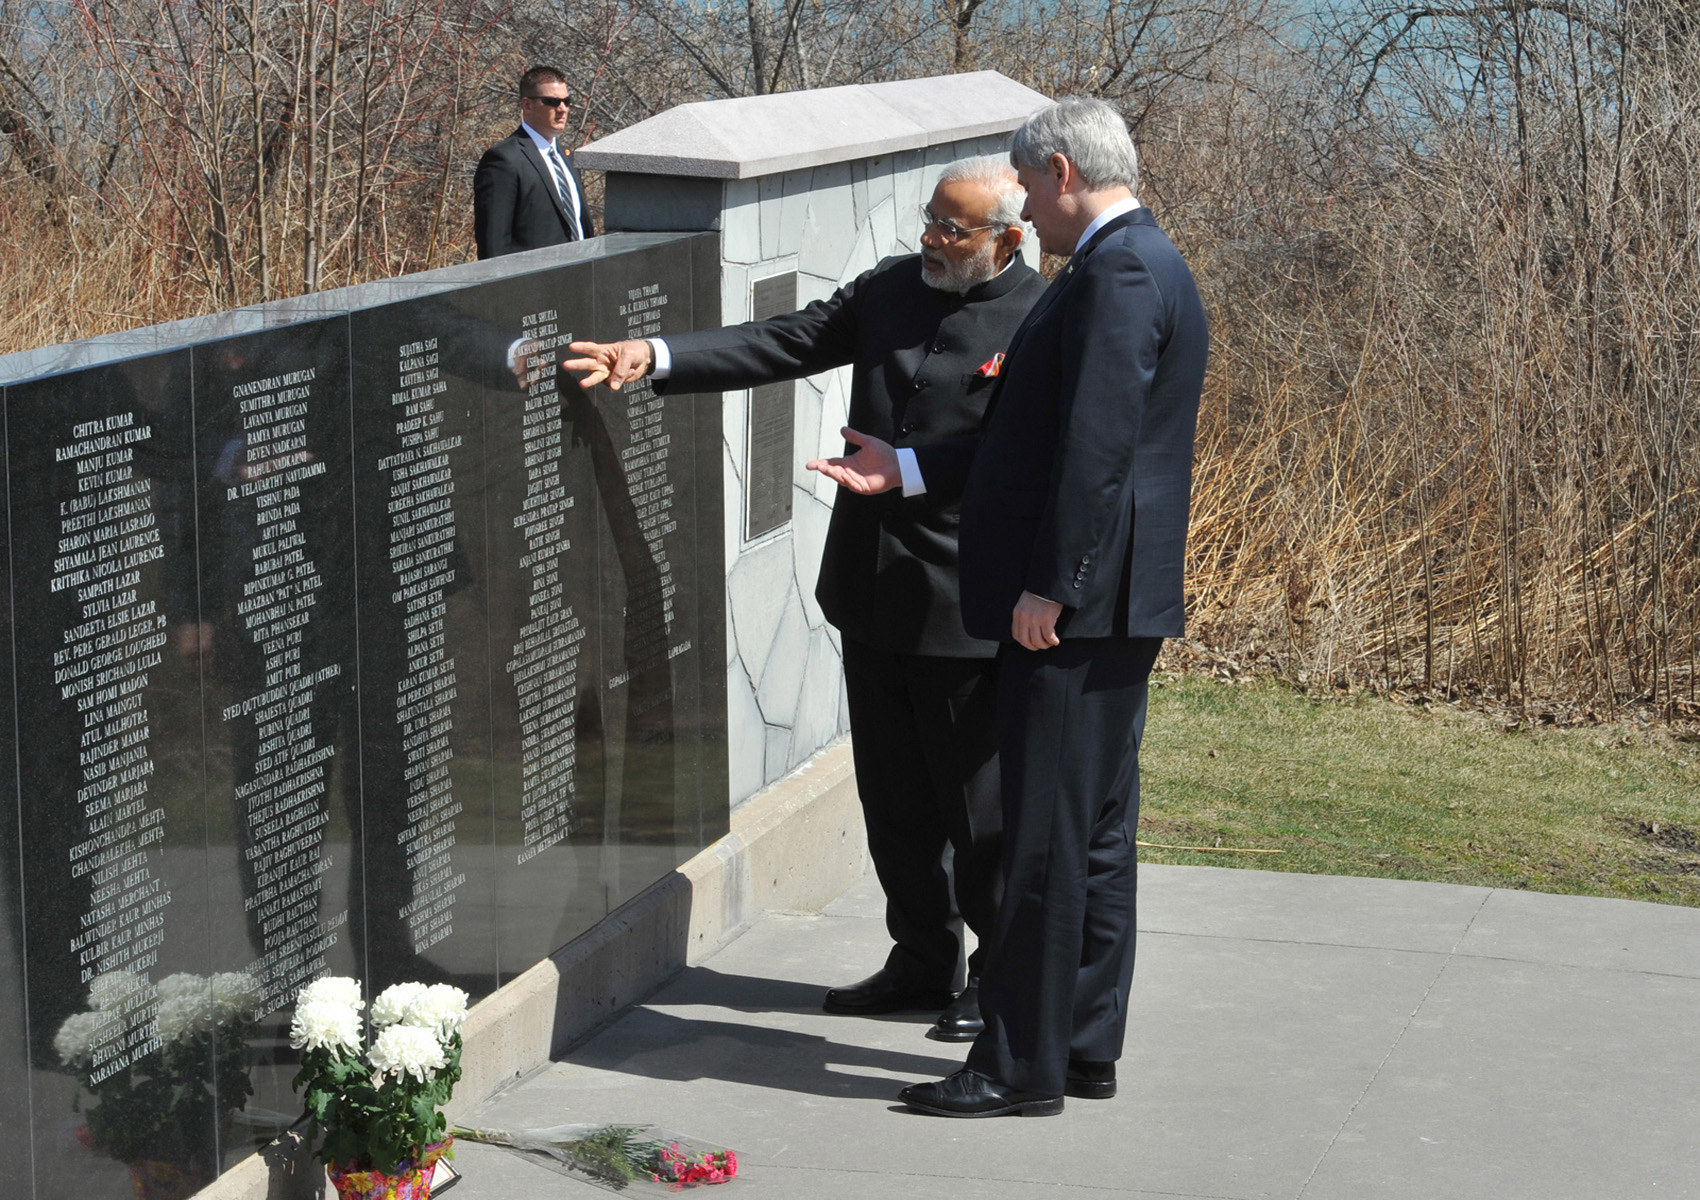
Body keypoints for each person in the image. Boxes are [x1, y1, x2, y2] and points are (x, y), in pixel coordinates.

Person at [562, 157, 1046, 1041]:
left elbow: (1030, 462)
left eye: (953, 230)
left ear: (1009, 239)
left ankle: (1002, 969)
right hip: (872, 594)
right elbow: (787, 339)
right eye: (929, 221)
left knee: (980, 813)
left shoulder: (1044, 319)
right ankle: (921, 958)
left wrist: (906, 471)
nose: (931, 241)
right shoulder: (894, 288)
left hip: (967, 609)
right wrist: (657, 355)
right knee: (894, 801)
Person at [807, 98, 1209, 1117]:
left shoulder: (1115, 276)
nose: (1029, 207)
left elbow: (1097, 445)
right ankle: (1078, 1044)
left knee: (1039, 840)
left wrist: (1050, 587)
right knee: (1094, 833)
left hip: (1077, 610)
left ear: (1061, 172)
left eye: (1031, 187)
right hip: (1118, 606)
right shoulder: (1148, 261)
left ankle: (1014, 1064)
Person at [473, 65, 594, 259]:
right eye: (552, 101)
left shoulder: (567, 157)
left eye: (566, 101)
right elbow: (493, 242)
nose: (562, 109)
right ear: (527, 105)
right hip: (534, 284)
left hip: (583, 278)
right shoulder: (504, 160)